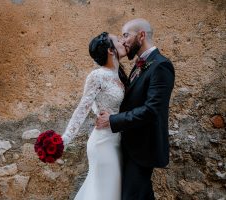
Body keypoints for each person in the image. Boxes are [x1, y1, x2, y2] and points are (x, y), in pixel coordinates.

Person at [96, 18, 175, 200]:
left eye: (126, 35)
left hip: (143, 148)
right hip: (129, 146)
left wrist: (112, 120)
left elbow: (151, 110)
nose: (123, 41)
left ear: (141, 35)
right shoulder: (139, 65)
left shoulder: (161, 65)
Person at [61, 32, 127, 200]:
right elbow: (82, 109)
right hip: (103, 143)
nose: (122, 42)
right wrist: (63, 140)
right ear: (110, 51)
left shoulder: (120, 75)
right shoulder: (97, 76)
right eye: (117, 40)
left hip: (118, 142)